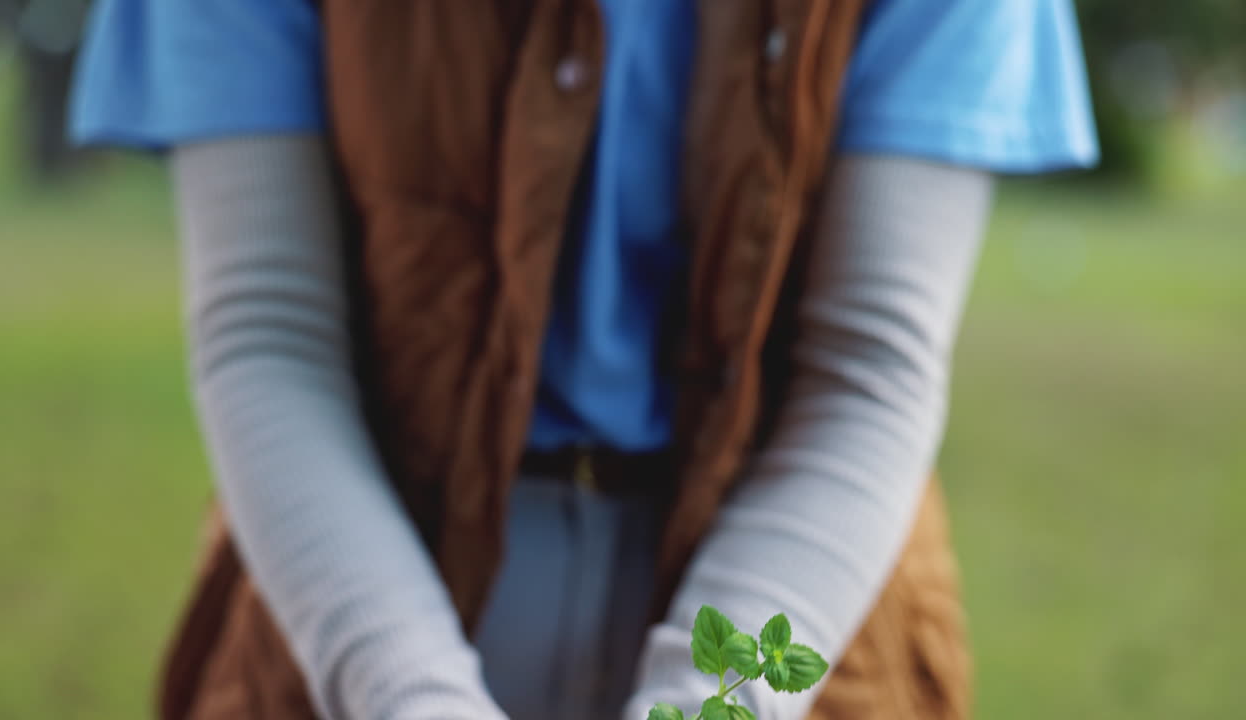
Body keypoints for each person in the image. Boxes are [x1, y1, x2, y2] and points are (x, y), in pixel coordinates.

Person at [71, 1, 1097, 718]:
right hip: (360, 581)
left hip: (803, 591)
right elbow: (269, 329)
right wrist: (409, 695)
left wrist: (718, 708)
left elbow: (868, 364)